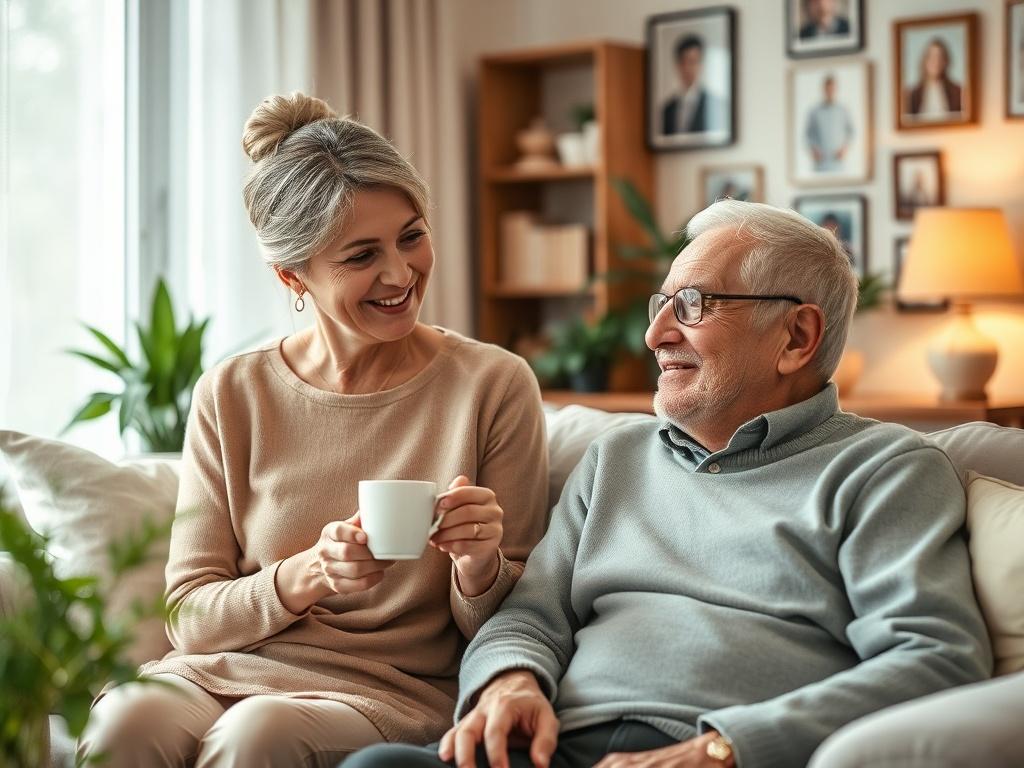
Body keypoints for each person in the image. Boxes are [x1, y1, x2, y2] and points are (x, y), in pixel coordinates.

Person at [346, 199, 992, 768]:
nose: (655, 335)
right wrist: (512, 681)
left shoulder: (884, 470)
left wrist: (726, 747)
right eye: (663, 305)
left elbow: (935, 658)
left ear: (796, 337)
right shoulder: (616, 456)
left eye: (694, 304)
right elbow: (532, 615)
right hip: (550, 749)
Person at [77, 92, 549, 767]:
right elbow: (186, 616)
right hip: (219, 671)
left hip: (388, 689)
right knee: (128, 718)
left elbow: (518, 621)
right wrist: (308, 574)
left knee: (258, 735)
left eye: (411, 236)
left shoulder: (492, 386)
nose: (399, 273)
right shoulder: (233, 393)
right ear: (291, 274)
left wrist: (478, 566)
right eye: (361, 256)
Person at [661, 35, 720, 135]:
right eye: (684, 62)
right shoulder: (667, 109)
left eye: (693, 62)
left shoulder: (714, 105)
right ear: (678, 65)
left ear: (701, 65)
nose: (688, 68)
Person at [804, 74, 854, 173]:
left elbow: (851, 132)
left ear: (836, 90)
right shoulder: (814, 111)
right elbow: (808, 134)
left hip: (838, 163)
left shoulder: (843, 111)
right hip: (820, 163)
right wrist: (814, 150)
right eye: (828, 89)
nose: (830, 92)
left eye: (832, 89)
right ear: (823, 90)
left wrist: (844, 149)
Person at [905, 38, 963, 118]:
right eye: (932, 57)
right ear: (925, 61)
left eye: (939, 57)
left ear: (945, 61)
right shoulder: (913, 94)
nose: (936, 62)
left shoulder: (957, 91)